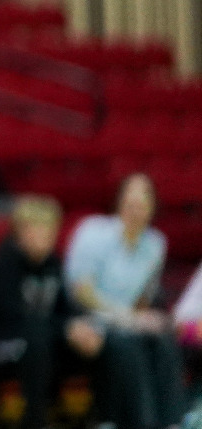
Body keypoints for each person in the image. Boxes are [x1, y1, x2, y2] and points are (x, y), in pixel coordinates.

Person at [66, 174, 187, 429]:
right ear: (119, 204)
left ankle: (173, 422)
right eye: (130, 202)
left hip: (127, 321)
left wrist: (146, 319)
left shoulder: (155, 245)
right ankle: (142, 422)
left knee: (164, 340)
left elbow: (143, 298)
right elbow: (81, 293)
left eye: (142, 203)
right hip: (87, 317)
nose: (136, 209)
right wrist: (128, 317)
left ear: (152, 208)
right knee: (127, 345)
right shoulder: (93, 232)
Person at [0, 196, 104, 429]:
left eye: (50, 228)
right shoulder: (3, 265)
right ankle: (35, 421)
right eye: (39, 227)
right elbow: (13, 318)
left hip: (39, 336)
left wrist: (79, 328)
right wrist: (64, 329)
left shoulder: (53, 265)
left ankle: (97, 418)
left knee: (93, 337)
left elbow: (64, 311)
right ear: (21, 231)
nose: (46, 235)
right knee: (36, 338)